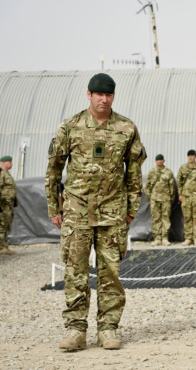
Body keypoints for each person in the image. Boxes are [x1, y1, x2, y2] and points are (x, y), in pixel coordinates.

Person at [45, 73, 146, 351]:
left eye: (109, 95)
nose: (104, 99)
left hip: (113, 213)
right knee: (75, 271)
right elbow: (54, 169)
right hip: (76, 211)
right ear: (88, 94)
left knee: (110, 273)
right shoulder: (70, 126)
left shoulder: (126, 128)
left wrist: (130, 211)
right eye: (99, 94)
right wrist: (55, 207)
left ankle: (108, 329)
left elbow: (135, 174)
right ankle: (76, 329)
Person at [177, 150, 196, 246]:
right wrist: (180, 194)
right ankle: (188, 238)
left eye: (192, 155)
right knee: (187, 217)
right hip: (186, 196)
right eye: (189, 156)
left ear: (195, 157)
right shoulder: (183, 168)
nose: (190, 157)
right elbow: (179, 182)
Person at [145, 154, 175, 246]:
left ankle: (165, 238)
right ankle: (157, 238)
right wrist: (149, 198)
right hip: (154, 199)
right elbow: (148, 186)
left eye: (161, 160)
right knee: (156, 218)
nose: (159, 161)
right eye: (158, 160)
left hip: (166, 199)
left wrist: (171, 199)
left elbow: (172, 187)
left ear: (164, 160)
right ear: (155, 161)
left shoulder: (168, 172)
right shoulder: (152, 172)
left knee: (165, 218)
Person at [0, 156, 17, 255]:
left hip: (8, 205)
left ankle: (4, 246)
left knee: (6, 225)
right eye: (10, 162)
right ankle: (1, 247)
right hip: (3, 205)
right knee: (2, 225)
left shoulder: (7, 174)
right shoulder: (1, 173)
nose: (12, 164)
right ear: (5, 163)